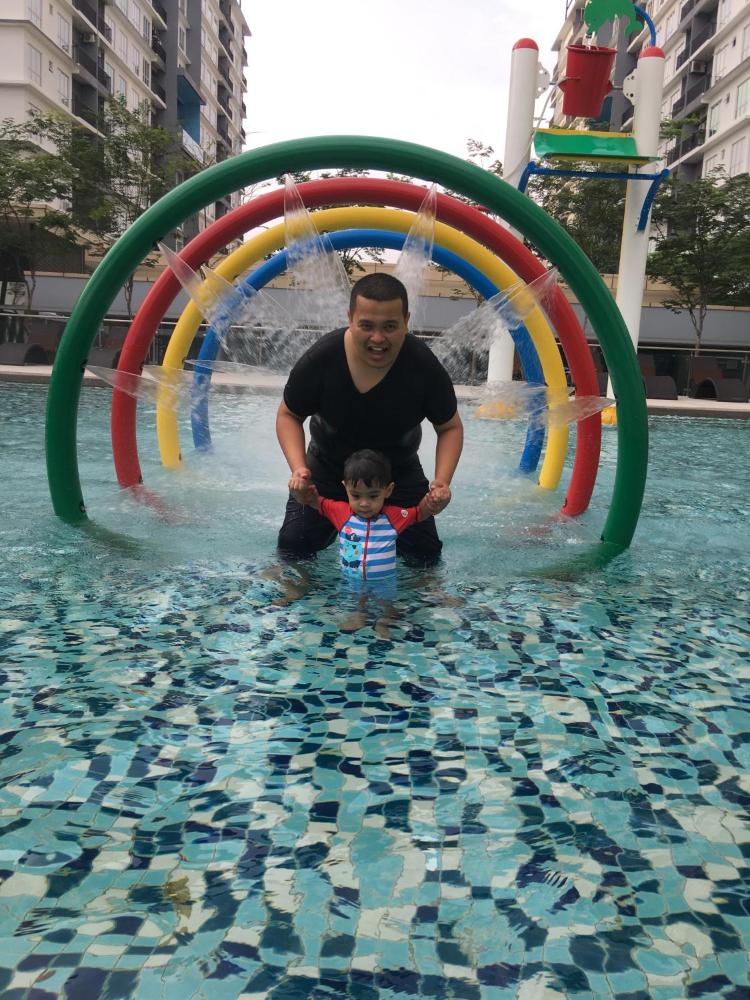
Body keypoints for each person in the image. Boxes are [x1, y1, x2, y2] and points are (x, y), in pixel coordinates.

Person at [276, 272, 463, 565]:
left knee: (425, 556)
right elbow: (289, 414)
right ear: (350, 318)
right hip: (327, 468)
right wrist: (299, 469)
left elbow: (449, 427)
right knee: (293, 547)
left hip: (398, 473)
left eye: (390, 326)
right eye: (366, 326)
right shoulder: (322, 359)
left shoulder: (423, 367)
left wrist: (442, 481)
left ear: (406, 321)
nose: (378, 338)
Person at [288, 449, 451, 583]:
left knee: (387, 611)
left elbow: (420, 513)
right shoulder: (340, 512)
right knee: (353, 610)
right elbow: (313, 500)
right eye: (356, 495)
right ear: (345, 488)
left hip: (384, 585)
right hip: (351, 583)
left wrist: (433, 499)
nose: (364, 503)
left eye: (373, 496)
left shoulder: (393, 517)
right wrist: (300, 488)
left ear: (388, 490)